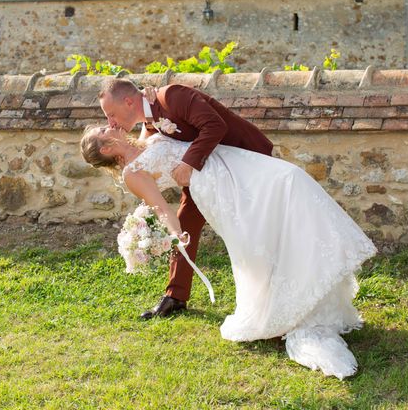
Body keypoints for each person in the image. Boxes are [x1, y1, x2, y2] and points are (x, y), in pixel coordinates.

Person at [80, 125, 377, 379]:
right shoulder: (133, 173)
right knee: (257, 242)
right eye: (104, 130)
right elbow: (160, 205)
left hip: (233, 161)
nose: (111, 124)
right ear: (106, 148)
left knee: (292, 181)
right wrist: (176, 233)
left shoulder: (144, 133)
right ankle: (284, 307)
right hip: (216, 187)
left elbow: (149, 112)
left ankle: (313, 278)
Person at [98, 79, 274, 319]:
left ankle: (270, 293)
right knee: (185, 224)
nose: (110, 122)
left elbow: (214, 125)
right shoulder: (148, 117)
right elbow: (147, 140)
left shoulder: (171, 96)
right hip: (203, 177)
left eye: (111, 114)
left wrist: (188, 164)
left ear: (128, 102)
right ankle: (175, 297)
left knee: (250, 228)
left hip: (243, 157)